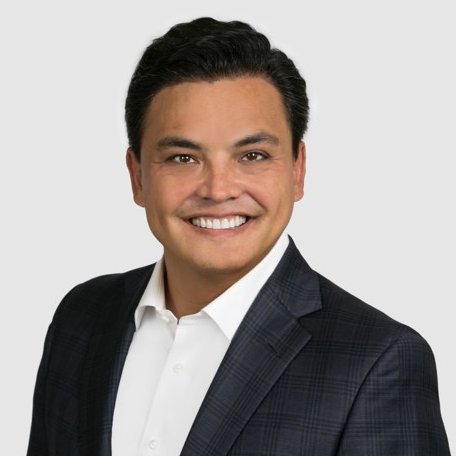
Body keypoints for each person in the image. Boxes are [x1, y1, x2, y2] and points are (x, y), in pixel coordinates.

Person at [27, 17, 450, 456]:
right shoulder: (83, 317)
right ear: (137, 177)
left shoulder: (378, 362)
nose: (218, 189)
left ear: (298, 170)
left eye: (253, 155)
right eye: (183, 158)